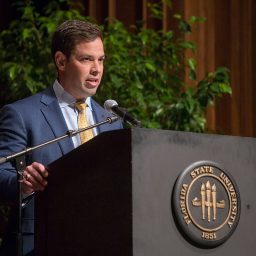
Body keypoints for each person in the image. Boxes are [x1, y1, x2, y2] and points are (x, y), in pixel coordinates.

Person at [0, 20, 123, 255]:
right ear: (61, 61)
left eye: (101, 59)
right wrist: (23, 182)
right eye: (86, 59)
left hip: (101, 243)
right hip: (39, 246)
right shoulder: (22, 114)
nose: (97, 69)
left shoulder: (111, 120)